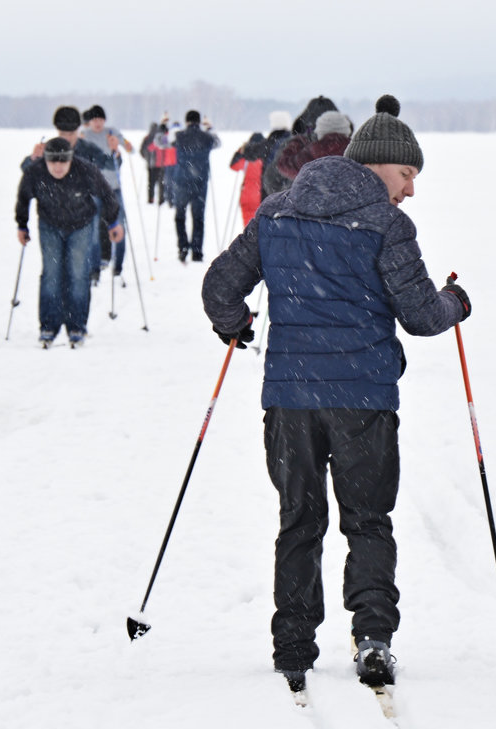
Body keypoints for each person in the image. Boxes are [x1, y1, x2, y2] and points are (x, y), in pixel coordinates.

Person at [201, 95, 471, 694]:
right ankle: (373, 636)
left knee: (299, 519)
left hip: (290, 399)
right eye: (407, 175)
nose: (410, 190)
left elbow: (221, 285)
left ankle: (293, 643)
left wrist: (234, 323)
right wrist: (459, 302)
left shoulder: (277, 214)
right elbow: (423, 315)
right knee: (368, 520)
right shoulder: (385, 225)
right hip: (362, 398)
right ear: (378, 165)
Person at [15, 137, 124, 347]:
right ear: (45, 160)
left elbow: (107, 195)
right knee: (51, 274)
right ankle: (48, 325)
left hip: (81, 225)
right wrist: (22, 225)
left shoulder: (85, 170)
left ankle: (77, 326)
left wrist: (113, 223)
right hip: (50, 225)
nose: (57, 166)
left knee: (78, 274)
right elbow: (23, 196)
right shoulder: (36, 171)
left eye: (62, 161)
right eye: (52, 161)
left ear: (70, 160)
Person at [80, 105, 133, 278]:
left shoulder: (112, 132)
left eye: (100, 119)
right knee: (92, 229)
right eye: (94, 120)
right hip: (92, 189)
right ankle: (94, 267)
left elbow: (130, 148)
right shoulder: (85, 135)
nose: (97, 123)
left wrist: (118, 147)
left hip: (113, 188)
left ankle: (118, 266)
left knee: (119, 226)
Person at [173, 110, 221, 262]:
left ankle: (183, 246)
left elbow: (161, 141)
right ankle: (197, 251)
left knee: (180, 216)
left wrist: (163, 125)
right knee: (198, 217)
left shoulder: (179, 136)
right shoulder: (207, 137)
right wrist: (210, 129)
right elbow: (218, 143)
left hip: (182, 181)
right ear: (199, 122)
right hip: (200, 182)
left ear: (186, 121)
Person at [274, 110, 353, 181]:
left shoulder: (310, 152)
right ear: (347, 130)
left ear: (319, 131)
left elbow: (284, 165)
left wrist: (297, 142)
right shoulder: (354, 151)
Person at [228, 132, 266, 228]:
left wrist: (240, 151)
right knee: (262, 227)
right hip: (261, 196)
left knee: (248, 228)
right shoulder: (265, 158)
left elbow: (233, 166)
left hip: (247, 196)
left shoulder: (246, 158)